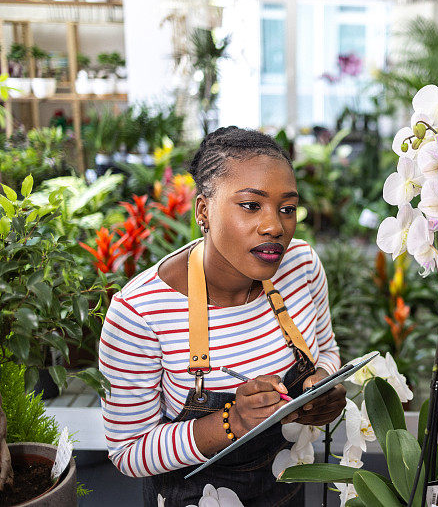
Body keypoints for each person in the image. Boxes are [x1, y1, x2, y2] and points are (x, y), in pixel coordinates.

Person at [99, 127, 346, 506]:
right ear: (203, 210)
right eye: (251, 205)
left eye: (287, 208)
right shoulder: (140, 312)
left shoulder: (302, 266)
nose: (275, 226)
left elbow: (326, 349)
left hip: (288, 486)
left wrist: (323, 384)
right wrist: (231, 423)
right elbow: (128, 453)